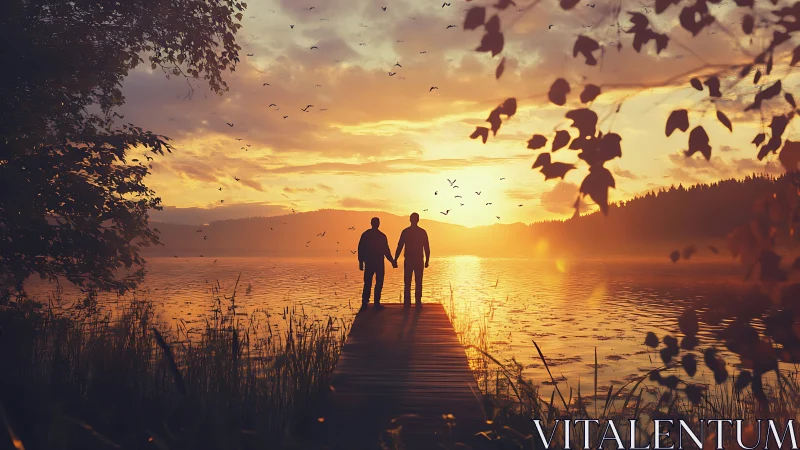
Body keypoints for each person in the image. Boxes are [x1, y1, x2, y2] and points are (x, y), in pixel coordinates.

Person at [357, 217, 395, 311]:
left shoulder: (366, 235)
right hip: (377, 263)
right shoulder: (381, 236)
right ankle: (374, 303)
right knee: (376, 282)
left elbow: (360, 249)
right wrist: (392, 261)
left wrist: (361, 262)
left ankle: (366, 302)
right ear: (378, 224)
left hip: (371, 262)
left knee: (369, 282)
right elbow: (386, 251)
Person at [394, 212, 430, 308]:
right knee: (418, 281)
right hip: (418, 260)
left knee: (408, 281)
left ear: (410, 220)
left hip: (410, 260)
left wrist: (395, 259)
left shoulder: (406, 232)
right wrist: (427, 260)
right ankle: (418, 302)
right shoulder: (422, 232)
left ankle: (407, 302)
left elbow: (400, 246)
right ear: (418, 220)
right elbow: (426, 247)